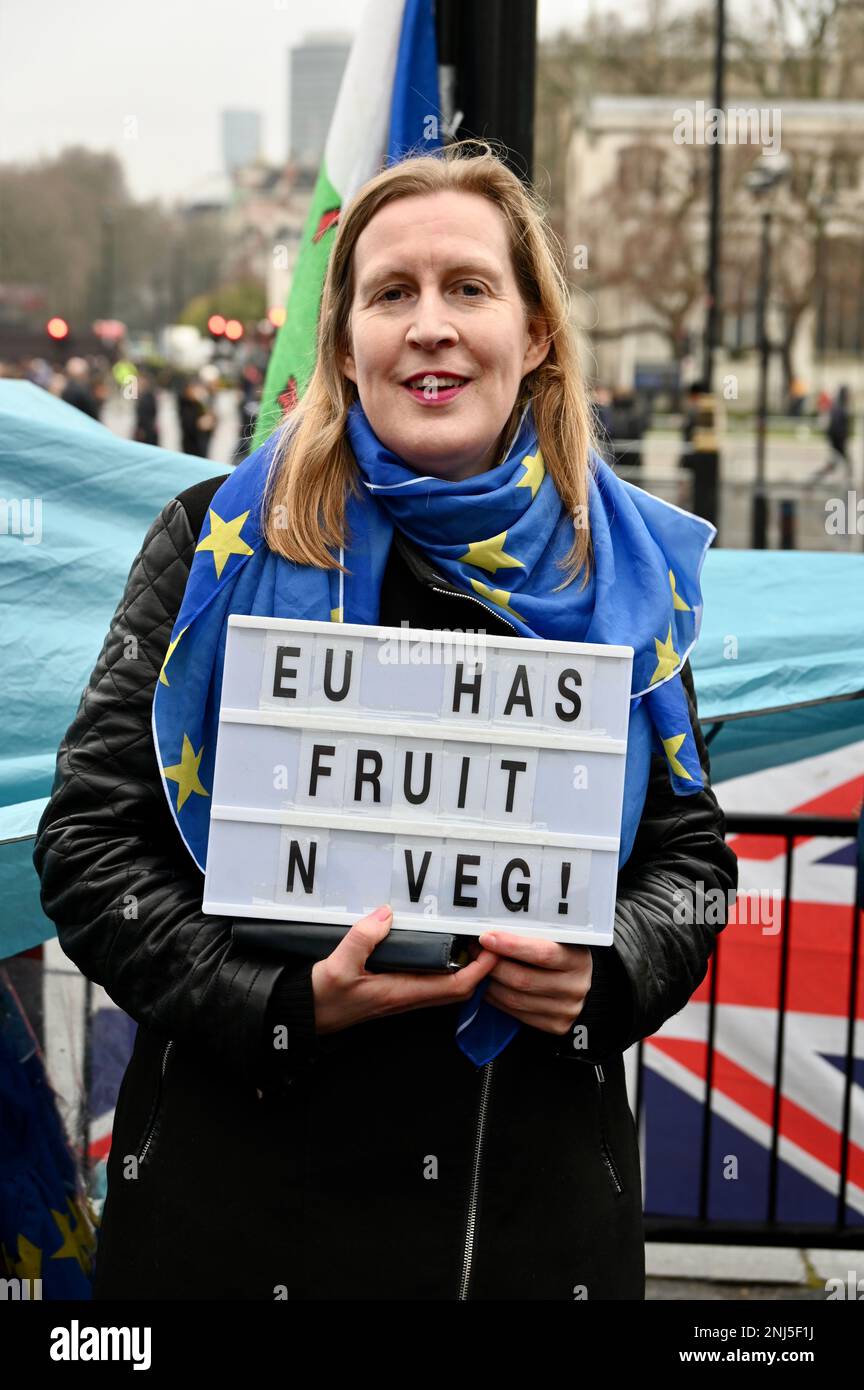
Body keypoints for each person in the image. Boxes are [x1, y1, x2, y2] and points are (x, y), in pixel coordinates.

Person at [32, 142, 737, 1301]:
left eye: (469, 287)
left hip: (520, 1224)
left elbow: (692, 860)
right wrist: (277, 1004)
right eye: (391, 294)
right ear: (346, 341)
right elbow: (89, 844)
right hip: (239, 1213)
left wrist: (601, 982)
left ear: (538, 332)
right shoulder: (209, 539)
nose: (430, 325)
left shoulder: (622, 573)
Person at [808, 384, 853, 485]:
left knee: (835, 465)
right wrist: (840, 441)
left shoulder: (839, 407)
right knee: (841, 464)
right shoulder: (840, 408)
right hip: (838, 442)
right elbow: (836, 428)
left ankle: (813, 480)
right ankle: (848, 485)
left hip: (837, 442)